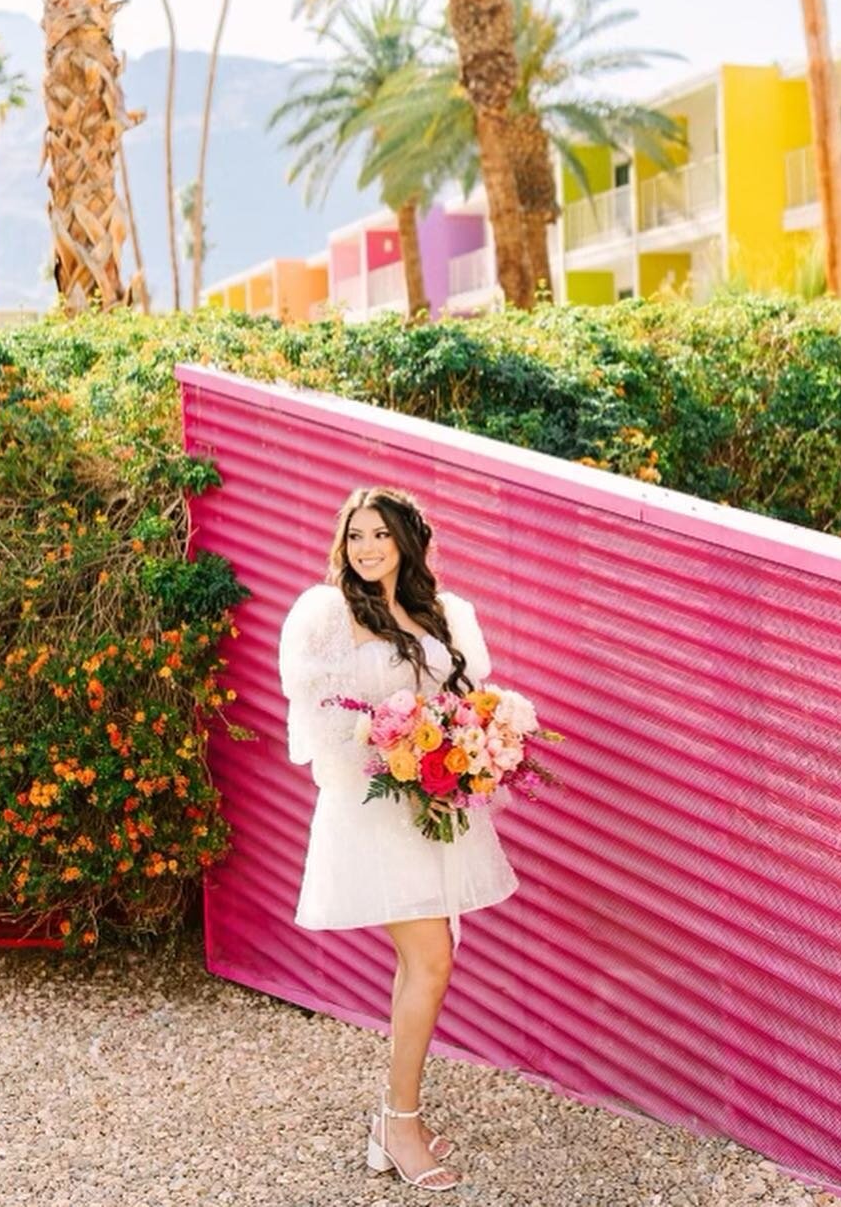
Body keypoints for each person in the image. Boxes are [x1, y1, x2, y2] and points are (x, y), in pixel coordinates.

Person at [277, 485, 520, 1192]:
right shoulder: (329, 614)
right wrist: (393, 745)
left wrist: (469, 742)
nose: (366, 548)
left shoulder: (442, 613)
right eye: (355, 536)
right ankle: (398, 1120)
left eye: (380, 533)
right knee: (432, 961)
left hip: (432, 809)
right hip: (374, 809)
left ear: (407, 540)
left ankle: (397, 1115)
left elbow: (463, 700)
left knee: (426, 964)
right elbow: (322, 718)